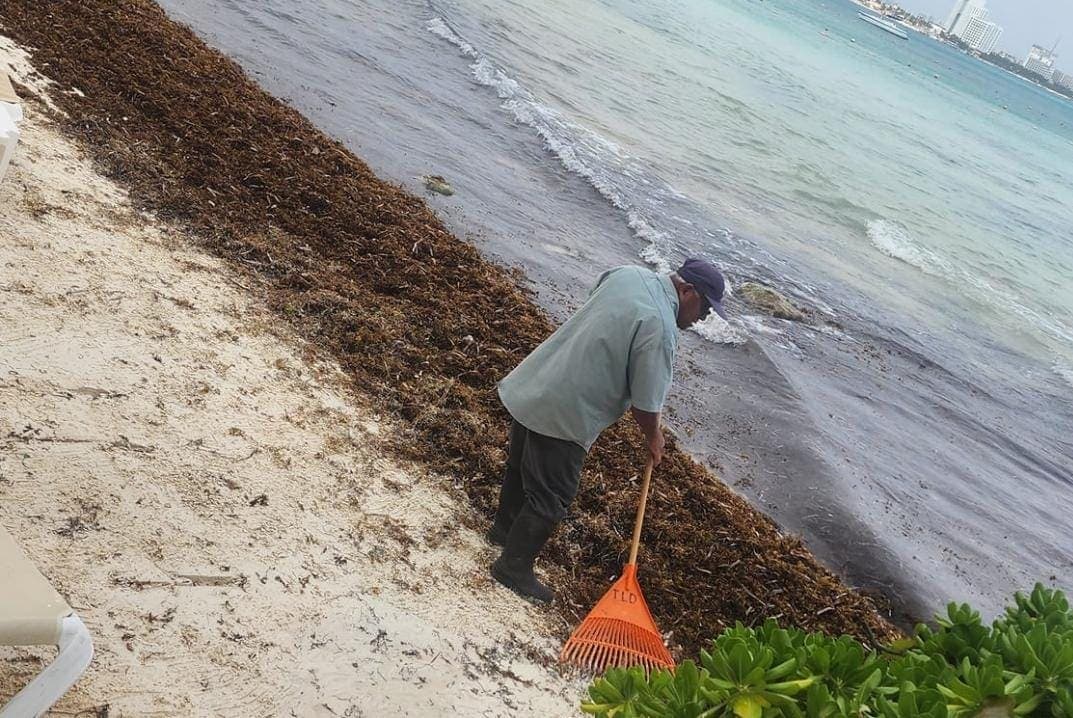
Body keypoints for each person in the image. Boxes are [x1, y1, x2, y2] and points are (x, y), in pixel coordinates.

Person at [489, 258, 728, 604]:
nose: (703, 318)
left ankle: (503, 531)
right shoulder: (661, 328)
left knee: (520, 463)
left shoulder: (627, 274)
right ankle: (513, 566)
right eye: (705, 307)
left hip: (543, 374)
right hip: (570, 406)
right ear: (687, 290)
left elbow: (599, 308)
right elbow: (646, 402)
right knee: (552, 495)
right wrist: (653, 436)